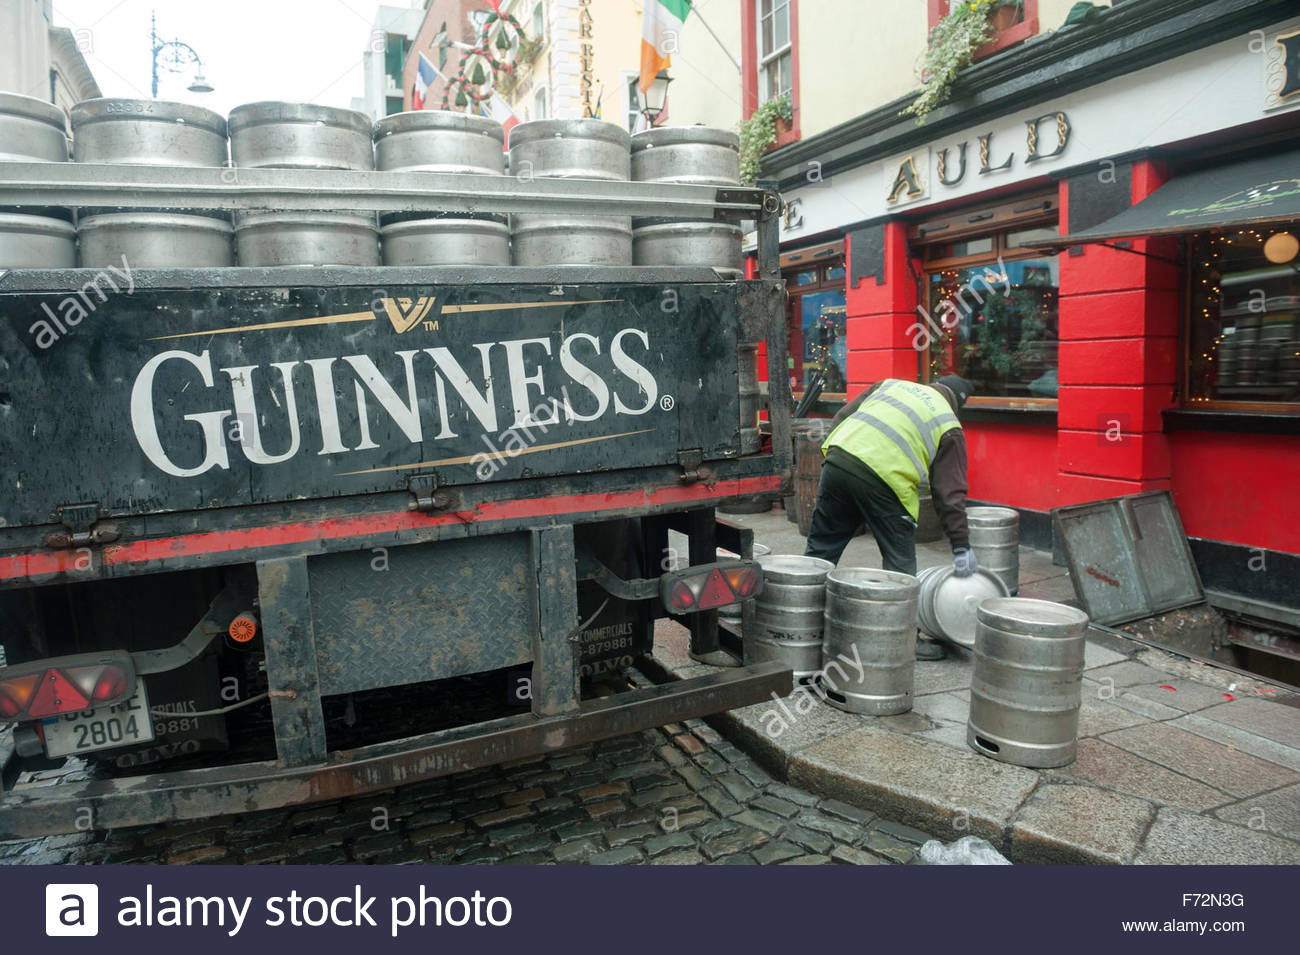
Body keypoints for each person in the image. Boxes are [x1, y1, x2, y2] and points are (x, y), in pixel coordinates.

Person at [803, 375, 977, 660]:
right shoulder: (949, 424)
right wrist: (960, 545)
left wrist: (837, 459)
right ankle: (905, 640)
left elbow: (843, 415)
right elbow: (949, 494)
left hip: (839, 458)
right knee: (900, 566)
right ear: (958, 404)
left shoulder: (891, 385)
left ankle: (805, 623)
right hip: (886, 481)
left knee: (821, 551)